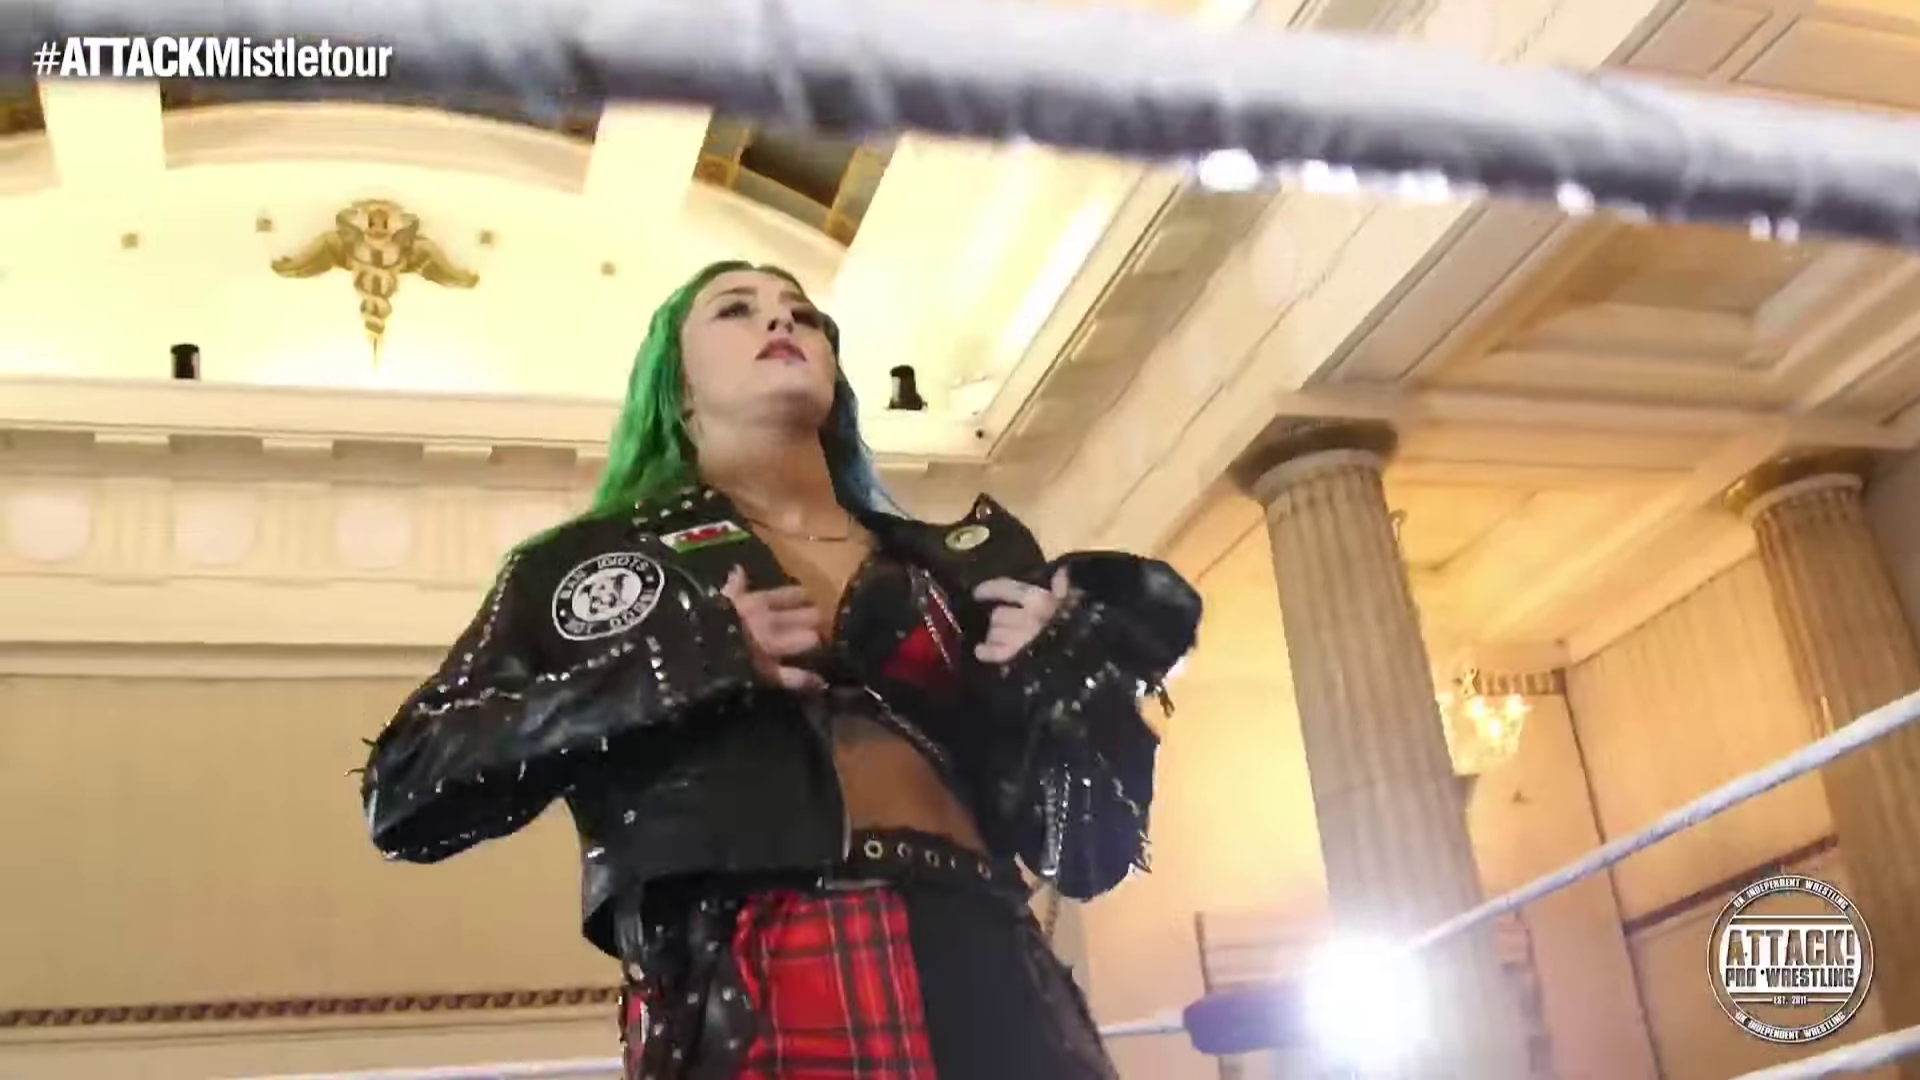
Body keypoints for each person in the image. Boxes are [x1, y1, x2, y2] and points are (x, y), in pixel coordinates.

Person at [359, 260, 1201, 1080]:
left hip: (995, 964)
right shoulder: (584, 568)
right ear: (677, 388)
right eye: (736, 308)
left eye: (804, 314)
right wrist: (692, 660)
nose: (781, 320)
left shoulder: (955, 567)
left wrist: (1071, 683)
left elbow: (1090, 856)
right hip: (754, 973)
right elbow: (406, 788)